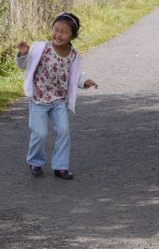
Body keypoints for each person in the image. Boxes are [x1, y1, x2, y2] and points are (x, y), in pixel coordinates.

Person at [15, 12, 98, 180]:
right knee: (40, 134)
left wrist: (85, 82)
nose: (58, 35)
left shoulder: (73, 55)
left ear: (72, 36)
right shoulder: (41, 48)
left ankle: (60, 166)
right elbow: (23, 65)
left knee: (64, 131)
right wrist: (23, 54)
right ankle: (35, 162)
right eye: (56, 30)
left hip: (58, 101)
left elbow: (74, 75)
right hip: (38, 99)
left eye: (64, 32)